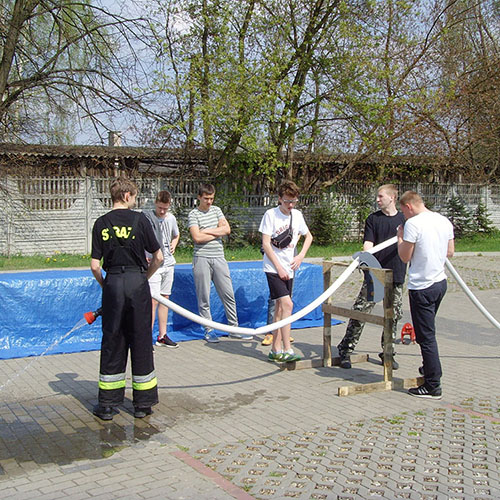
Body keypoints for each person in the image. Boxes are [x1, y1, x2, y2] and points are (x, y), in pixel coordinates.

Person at [90, 177, 163, 421]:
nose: (135, 201)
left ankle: (108, 405)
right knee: (141, 338)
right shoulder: (141, 220)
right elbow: (159, 257)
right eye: (134, 196)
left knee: (113, 339)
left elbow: (94, 266)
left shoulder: (100, 223)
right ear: (126, 196)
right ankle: (143, 404)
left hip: (113, 282)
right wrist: (145, 276)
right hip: (137, 282)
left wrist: (107, 285)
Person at [337, 184, 407, 370]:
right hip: (375, 275)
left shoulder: (404, 220)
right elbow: (368, 244)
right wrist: (367, 260)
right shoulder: (373, 219)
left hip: (397, 274)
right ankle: (345, 349)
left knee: (393, 316)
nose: (377, 199)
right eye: (377, 196)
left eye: (381, 196)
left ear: (392, 197)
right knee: (361, 312)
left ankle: (388, 353)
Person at [397, 191, 454, 399]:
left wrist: (400, 236)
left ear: (409, 206)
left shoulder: (413, 224)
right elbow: (450, 251)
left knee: (425, 337)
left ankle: (432, 384)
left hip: (422, 286)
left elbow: (404, 257)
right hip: (440, 283)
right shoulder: (443, 220)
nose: (404, 215)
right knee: (427, 331)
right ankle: (429, 366)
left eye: (403, 211)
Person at [188, 183, 251, 342]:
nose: (209, 202)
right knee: (204, 297)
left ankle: (234, 328)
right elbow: (197, 238)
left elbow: (227, 230)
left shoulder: (217, 210)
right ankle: (209, 329)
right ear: (199, 198)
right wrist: (217, 232)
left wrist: (206, 231)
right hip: (202, 257)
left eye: (211, 198)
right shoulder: (193, 214)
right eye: (206, 199)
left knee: (228, 293)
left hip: (219, 257)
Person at [259, 180, 313, 362]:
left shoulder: (297, 215)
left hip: (289, 267)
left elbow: (308, 236)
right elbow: (266, 244)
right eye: (287, 201)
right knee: (288, 305)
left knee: (281, 308)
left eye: (294, 201)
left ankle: (275, 349)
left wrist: (300, 256)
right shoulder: (270, 215)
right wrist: (279, 267)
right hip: (273, 267)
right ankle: (287, 348)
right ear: (279, 199)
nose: (290, 205)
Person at [144, 191, 180, 348]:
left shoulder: (171, 218)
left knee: (165, 299)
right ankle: (147, 338)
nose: (162, 211)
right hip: (154, 264)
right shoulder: (147, 218)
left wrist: (174, 243)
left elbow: (176, 235)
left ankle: (162, 335)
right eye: (160, 208)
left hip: (168, 263)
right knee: (153, 301)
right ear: (155, 204)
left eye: (165, 208)